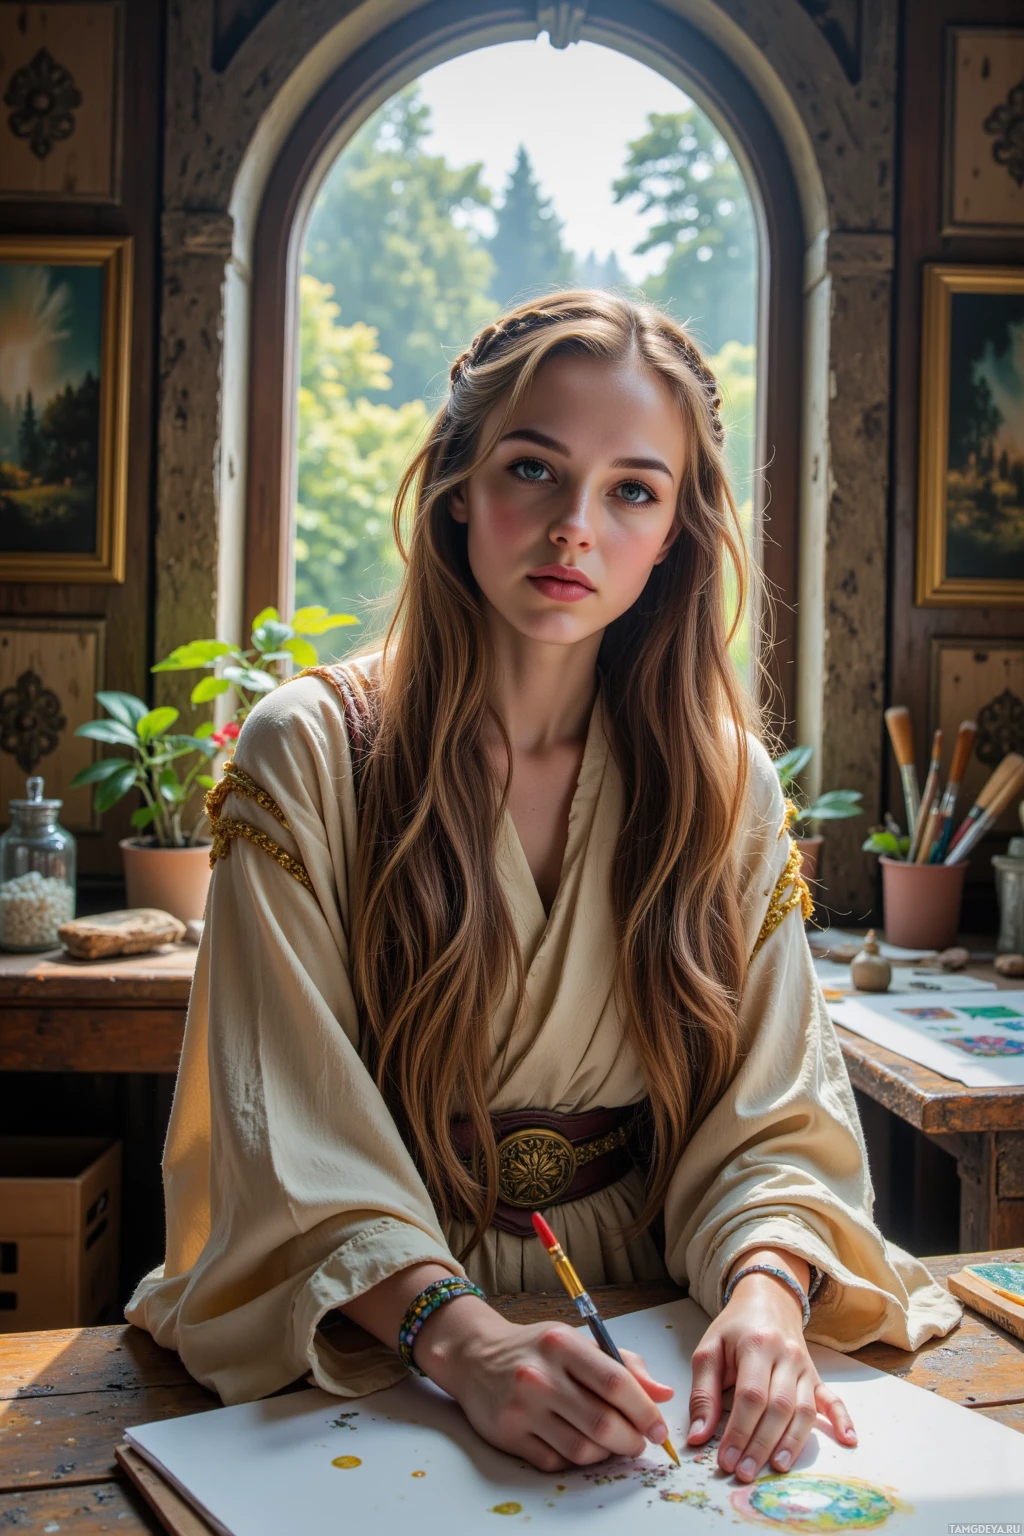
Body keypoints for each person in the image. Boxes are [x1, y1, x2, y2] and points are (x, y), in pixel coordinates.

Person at [127, 290, 961, 1487]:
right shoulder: (307, 751)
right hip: (374, 1331)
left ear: (675, 529)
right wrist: (462, 1346)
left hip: (653, 1305)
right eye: (534, 468)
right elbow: (286, 1131)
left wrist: (767, 1296)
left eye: (632, 488)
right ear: (458, 481)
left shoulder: (720, 782)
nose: (576, 526)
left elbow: (775, 1110)